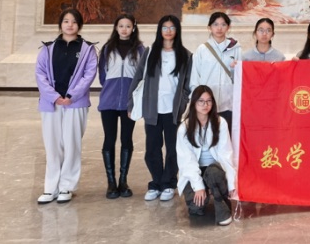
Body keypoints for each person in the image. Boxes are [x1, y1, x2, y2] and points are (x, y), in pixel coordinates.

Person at [35, 8, 98, 204]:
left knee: (72, 144)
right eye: (66, 21)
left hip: (75, 103)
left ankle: (66, 186)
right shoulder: (47, 49)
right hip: (51, 104)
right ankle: (50, 188)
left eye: (74, 21)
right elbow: (40, 74)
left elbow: (89, 75)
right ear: (60, 24)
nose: (70, 25)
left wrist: (71, 96)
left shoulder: (87, 49)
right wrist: (54, 97)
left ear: (79, 25)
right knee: (52, 145)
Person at [128, 15, 192, 202]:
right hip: (152, 109)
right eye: (165, 27)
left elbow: (188, 84)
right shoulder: (150, 52)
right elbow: (137, 78)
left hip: (173, 111)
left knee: (173, 149)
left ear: (177, 30)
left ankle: (169, 183)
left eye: (172, 27)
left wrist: (182, 103)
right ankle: (156, 182)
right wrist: (130, 104)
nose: (168, 31)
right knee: (152, 148)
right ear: (160, 30)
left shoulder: (186, 55)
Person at [97, 13, 144, 199]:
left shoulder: (140, 50)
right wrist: (112, 89)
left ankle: (123, 181)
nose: (124, 29)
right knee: (109, 139)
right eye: (121, 26)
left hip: (129, 103)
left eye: (128, 26)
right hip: (108, 101)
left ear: (133, 28)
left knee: (126, 139)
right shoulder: (107, 49)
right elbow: (102, 75)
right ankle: (111, 183)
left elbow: (142, 76)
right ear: (116, 28)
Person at [176, 85, 237, 225]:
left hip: (215, 169)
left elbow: (226, 153)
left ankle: (222, 207)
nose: (205, 105)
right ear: (194, 103)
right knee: (196, 207)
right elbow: (187, 161)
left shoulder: (220, 123)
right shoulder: (184, 128)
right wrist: (198, 186)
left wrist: (231, 182)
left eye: (209, 101)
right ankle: (207, 194)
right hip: (195, 170)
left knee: (214, 173)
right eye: (201, 101)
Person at [189, 12, 241, 132]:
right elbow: (195, 77)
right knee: (207, 136)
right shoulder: (202, 50)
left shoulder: (236, 49)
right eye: (215, 24)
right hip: (206, 104)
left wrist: (235, 69)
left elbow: (240, 77)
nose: (219, 28)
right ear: (209, 27)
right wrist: (197, 101)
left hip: (228, 103)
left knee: (227, 135)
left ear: (228, 27)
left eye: (223, 24)